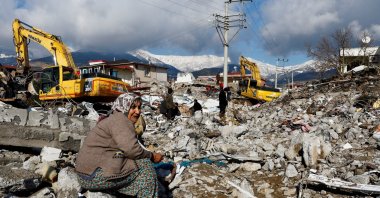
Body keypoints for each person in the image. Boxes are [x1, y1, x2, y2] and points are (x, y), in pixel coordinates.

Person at [75, 93, 163, 197]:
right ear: (124, 107)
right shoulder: (120, 121)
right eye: (133, 107)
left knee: (129, 161)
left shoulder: (113, 118)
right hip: (93, 177)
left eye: (139, 107)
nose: (138, 111)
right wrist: (152, 156)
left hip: (84, 176)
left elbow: (122, 150)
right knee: (145, 166)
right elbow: (132, 150)